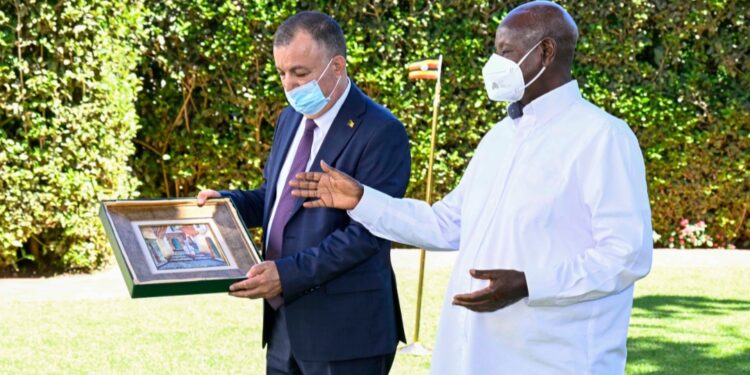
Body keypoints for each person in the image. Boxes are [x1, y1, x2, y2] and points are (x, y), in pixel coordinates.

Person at [289, 2, 653, 374]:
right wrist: (363, 200)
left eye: (506, 52)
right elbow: (446, 223)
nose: (495, 63)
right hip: (475, 355)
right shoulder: (500, 137)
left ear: (545, 52)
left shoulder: (602, 137)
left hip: (553, 358)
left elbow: (626, 254)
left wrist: (530, 284)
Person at [197, 11, 409, 375]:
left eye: (300, 73)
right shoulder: (290, 118)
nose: (290, 86)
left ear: (337, 65)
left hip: (347, 334)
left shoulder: (381, 131)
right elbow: (278, 198)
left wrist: (286, 274)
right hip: (284, 324)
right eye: (282, 73)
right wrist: (227, 204)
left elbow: (367, 235)